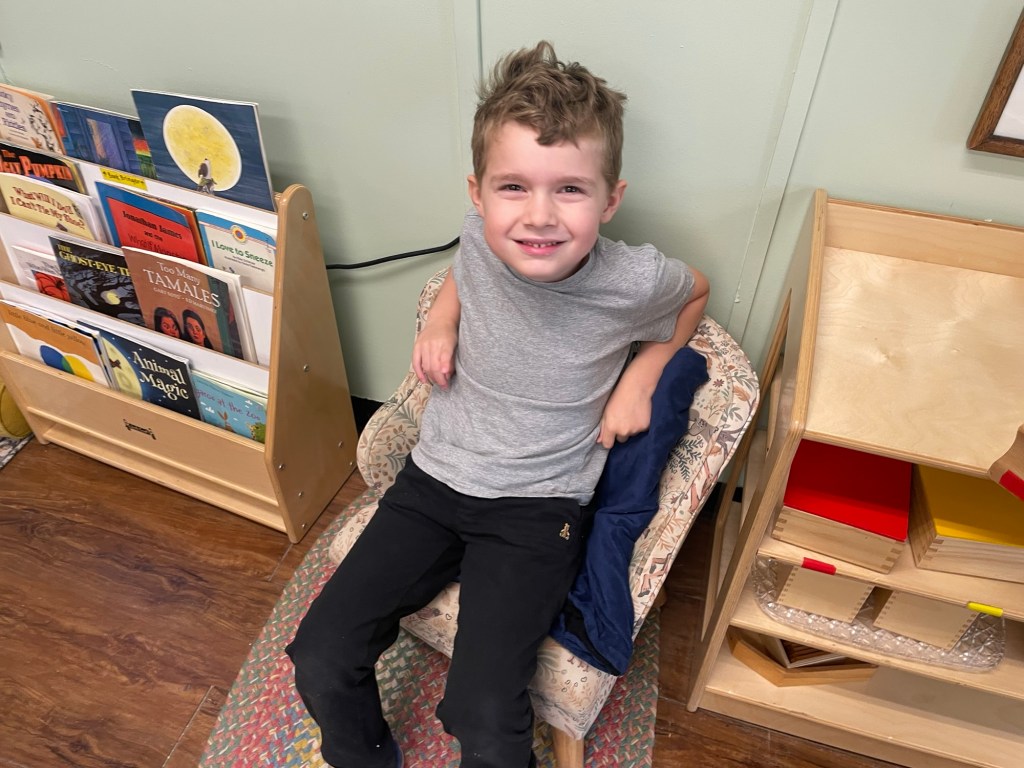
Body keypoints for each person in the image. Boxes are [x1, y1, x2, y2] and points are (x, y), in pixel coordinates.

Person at [286, 40, 709, 768]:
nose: (538, 216)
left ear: (610, 199)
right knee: (320, 652)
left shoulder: (634, 280)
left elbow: (696, 291)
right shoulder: (482, 238)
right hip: (433, 482)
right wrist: (441, 318)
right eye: (513, 187)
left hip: (537, 509)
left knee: (480, 709)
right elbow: (466, 261)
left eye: (569, 190)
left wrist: (644, 373)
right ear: (478, 194)